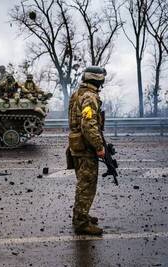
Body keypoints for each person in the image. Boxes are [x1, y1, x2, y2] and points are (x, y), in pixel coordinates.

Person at [68, 66, 107, 235]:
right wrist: (99, 146)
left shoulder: (77, 93)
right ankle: (81, 223)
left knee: (83, 182)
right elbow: (88, 124)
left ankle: (81, 215)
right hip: (86, 147)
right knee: (87, 184)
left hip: (77, 145)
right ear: (98, 80)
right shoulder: (90, 97)